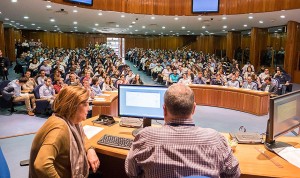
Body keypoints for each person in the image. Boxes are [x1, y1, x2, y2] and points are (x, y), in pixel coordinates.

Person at [125, 84, 240, 178]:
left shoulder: (145, 137)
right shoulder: (216, 140)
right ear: (194, 109)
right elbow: (235, 174)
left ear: (164, 110)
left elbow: (131, 171)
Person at [29, 86, 100, 178]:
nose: (89, 108)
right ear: (73, 106)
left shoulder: (71, 121)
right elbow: (41, 165)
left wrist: (90, 150)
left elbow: (82, 136)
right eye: (85, 104)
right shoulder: (60, 129)